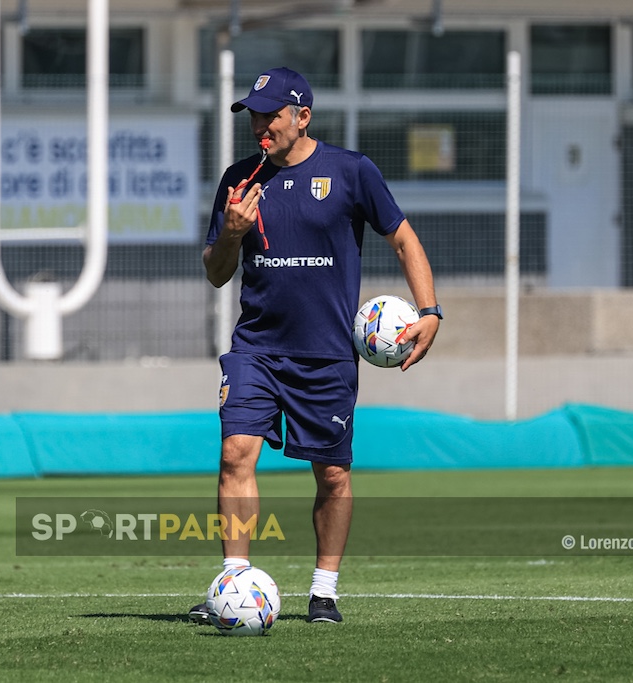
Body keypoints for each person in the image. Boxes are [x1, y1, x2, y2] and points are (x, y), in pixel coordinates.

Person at [188, 67, 441, 624]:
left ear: (303, 116)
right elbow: (216, 274)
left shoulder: (352, 172)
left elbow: (402, 238)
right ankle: (235, 584)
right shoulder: (238, 180)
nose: (259, 124)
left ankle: (323, 589)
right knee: (235, 455)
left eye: (270, 114)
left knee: (332, 474)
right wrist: (231, 232)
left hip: (325, 355)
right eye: (253, 114)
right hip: (256, 348)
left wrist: (428, 312)